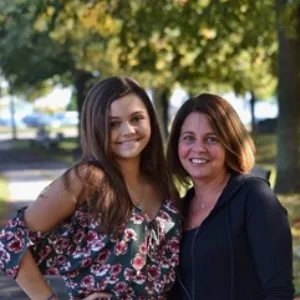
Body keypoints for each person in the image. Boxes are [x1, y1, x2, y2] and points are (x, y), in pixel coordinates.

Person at [0, 76, 182, 300]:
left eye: (137, 118)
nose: (128, 130)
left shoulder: (161, 183)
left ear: (151, 121)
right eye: (113, 124)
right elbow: (10, 242)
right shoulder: (89, 179)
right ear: (96, 126)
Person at [166, 93, 294, 300]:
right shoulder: (177, 210)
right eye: (189, 138)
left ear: (230, 144)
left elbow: (278, 290)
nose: (198, 148)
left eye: (212, 139)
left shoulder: (254, 197)